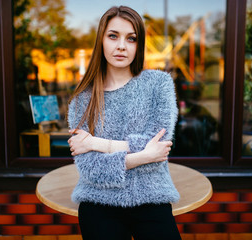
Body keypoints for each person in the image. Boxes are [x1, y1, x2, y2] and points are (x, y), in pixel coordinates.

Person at [67, 5, 181, 240]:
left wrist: (96, 143)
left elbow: (158, 147)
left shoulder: (158, 84)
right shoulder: (83, 99)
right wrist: (143, 156)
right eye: (113, 36)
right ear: (101, 41)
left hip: (151, 197)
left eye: (131, 38)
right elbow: (91, 170)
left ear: (138, 46)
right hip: (98, 201)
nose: (121, 45)